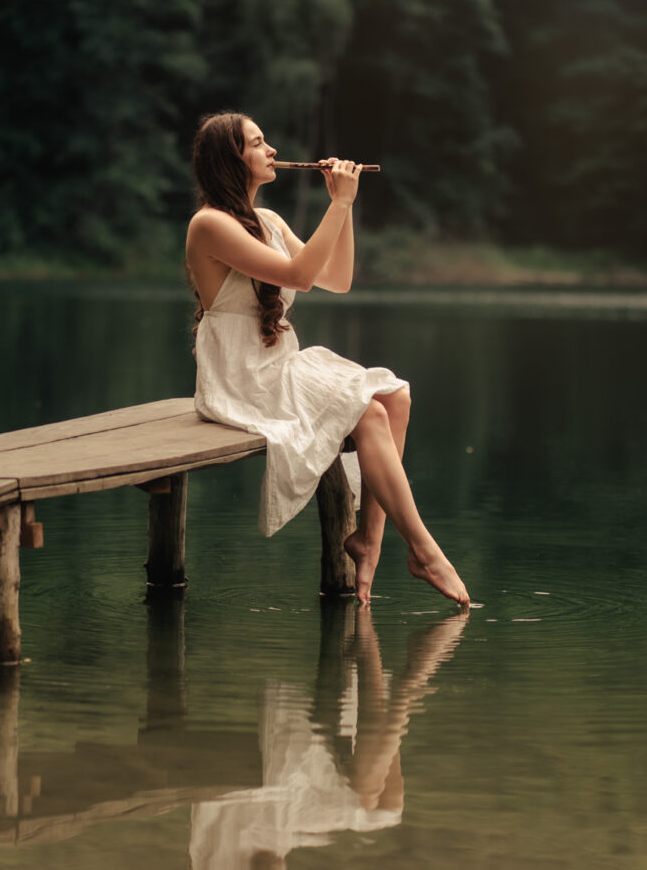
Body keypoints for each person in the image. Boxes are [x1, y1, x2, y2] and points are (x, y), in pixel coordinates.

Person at [185, 111, 469, 606]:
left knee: (394, 398)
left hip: (280, 366)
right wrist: (337, 202)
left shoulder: (268, 222)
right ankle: (424, 551)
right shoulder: (209, 225)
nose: (272, 149)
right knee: (370, 411)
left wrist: (346, 206)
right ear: (232, 161)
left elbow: (337, 278)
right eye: (258, 143)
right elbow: (298, 276)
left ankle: (371, 541)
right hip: (241, 378)